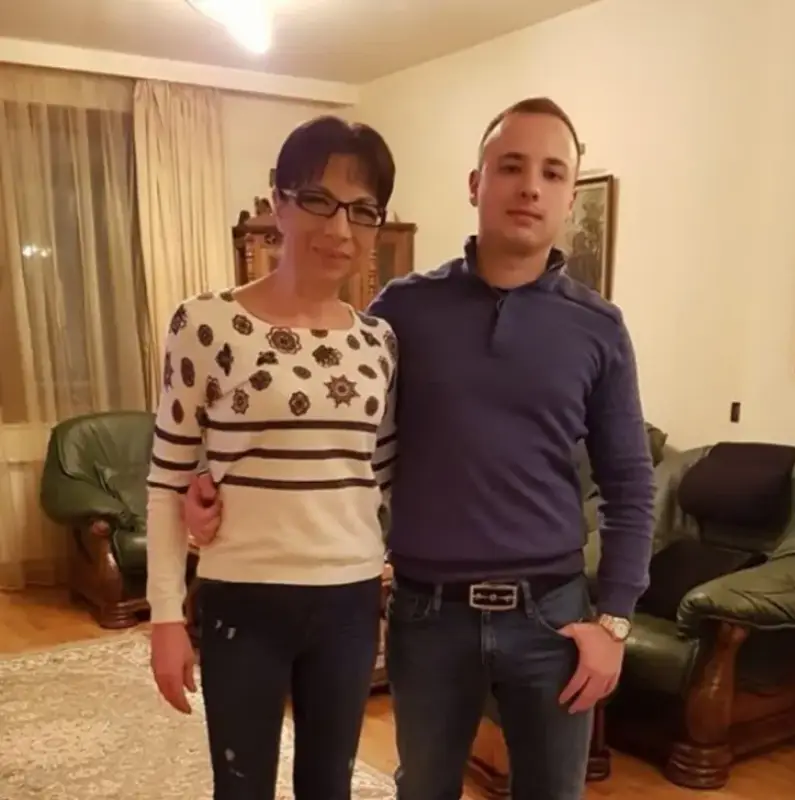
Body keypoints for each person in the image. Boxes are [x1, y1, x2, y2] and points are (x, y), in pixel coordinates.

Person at [182, 97, 656, 800]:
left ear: (567, 197)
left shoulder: (599, 328)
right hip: (428, 619)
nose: (530, 187)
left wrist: (613, 621)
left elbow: (630, 484)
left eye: (553, 173)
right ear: (476, 183)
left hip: (551, 623)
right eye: (511, 166)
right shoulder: (399, 313)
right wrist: (210, 477)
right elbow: (316, 413)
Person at [145, 115, 398, 800]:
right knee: (241, 787)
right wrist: (165, 617)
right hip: (243, 598)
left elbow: (379, 475)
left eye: (363, 210)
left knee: (329, 787)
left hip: (350, 601)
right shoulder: (204, 323)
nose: (340, 228)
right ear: (279, 203)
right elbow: (168, 480)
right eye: (319, 200)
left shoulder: (379, 343)